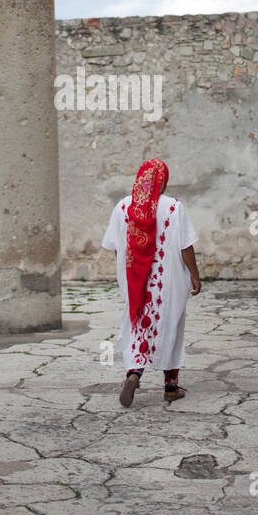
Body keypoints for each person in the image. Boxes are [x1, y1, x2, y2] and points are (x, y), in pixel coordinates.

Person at [101, 158, 201, 407]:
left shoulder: (124, 207)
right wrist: (195, 275)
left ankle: (134, 373)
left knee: (137, 323)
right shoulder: (174, 207)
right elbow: (185, 246)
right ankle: (170, 387)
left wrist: (128, 274)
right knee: (171, 324)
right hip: (170, 280)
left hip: (135, 280)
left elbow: (115, 247)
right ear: (163, 182)